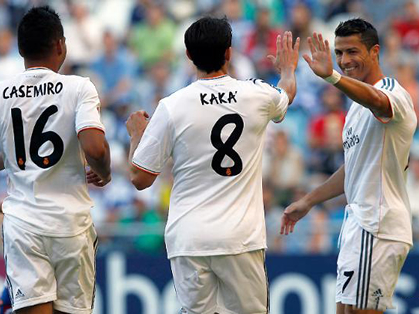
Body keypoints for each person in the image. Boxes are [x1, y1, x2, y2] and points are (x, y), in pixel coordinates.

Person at [126, 16, 299, 314]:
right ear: (229, 52)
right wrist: (287, 70)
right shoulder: (256, 94)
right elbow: (287, 95)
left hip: (189, 238)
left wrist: (136, 136)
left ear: (189, 55)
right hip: (239, 238)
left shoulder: (172, 105)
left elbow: (140, 178)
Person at [0, 6, 111, 314]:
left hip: (24, 227)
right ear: (61, 45)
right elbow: (95, 150)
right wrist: (103, 172)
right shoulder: (79, 87)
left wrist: (19, 152)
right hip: (70, 226)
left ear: (20, 49)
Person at [280, 18, 417, 314]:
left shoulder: (393, 92)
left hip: (378, 225)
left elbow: (380, 101)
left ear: (375, 51)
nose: (344, 61)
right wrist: (308, 201)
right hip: (358, 223)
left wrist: (332, 78)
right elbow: (353, 168)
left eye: (353, 52)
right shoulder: (354, 107)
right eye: (339, 53)